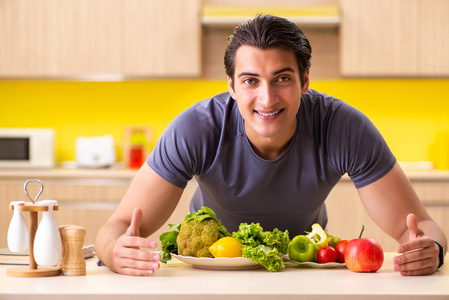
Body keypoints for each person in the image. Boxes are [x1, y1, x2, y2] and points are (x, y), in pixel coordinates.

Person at [95, 14, 446, 276]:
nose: (267, 98)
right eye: (250, 81)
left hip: (301, 265)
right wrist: (115, 251)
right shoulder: (195, 130)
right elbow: (117, 227)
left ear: (304, 80)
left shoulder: (344, 128)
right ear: (231, 87)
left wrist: (432, 250)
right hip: (211, 270)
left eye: (282, 78)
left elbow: (422, 228)